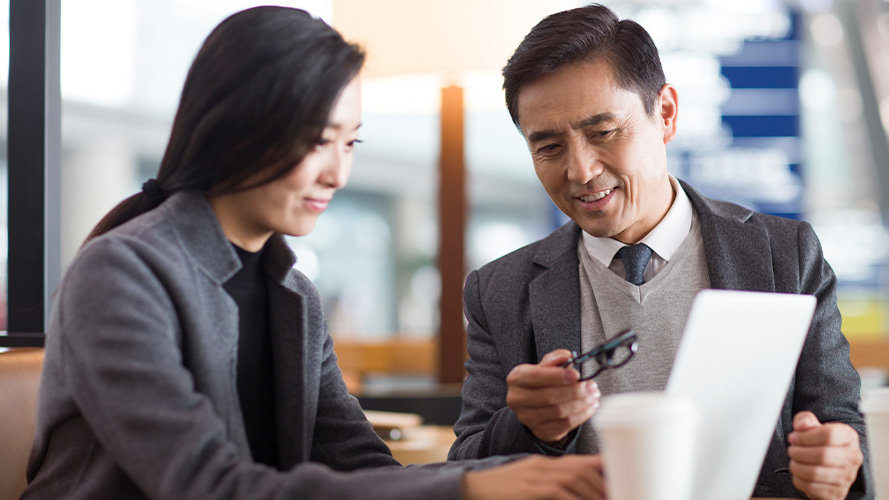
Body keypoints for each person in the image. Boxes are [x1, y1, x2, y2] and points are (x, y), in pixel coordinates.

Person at [21, 6, 607, 500]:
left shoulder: (294, 295)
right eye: (317, 140)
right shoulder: (121, 274)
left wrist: (524, 473)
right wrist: (473, 488)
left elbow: (365, 472)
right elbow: (208, 487)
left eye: (349, 142)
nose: (338, 172)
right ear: (238, 126)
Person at [448, 4, 872, 500]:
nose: (580, 170)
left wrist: (841, 463)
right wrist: (531, 427)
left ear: (666, 113)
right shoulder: (500, 289)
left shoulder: (784, 254)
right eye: (548, 147)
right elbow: (465, 468)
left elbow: (842, 427)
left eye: (602, 132)